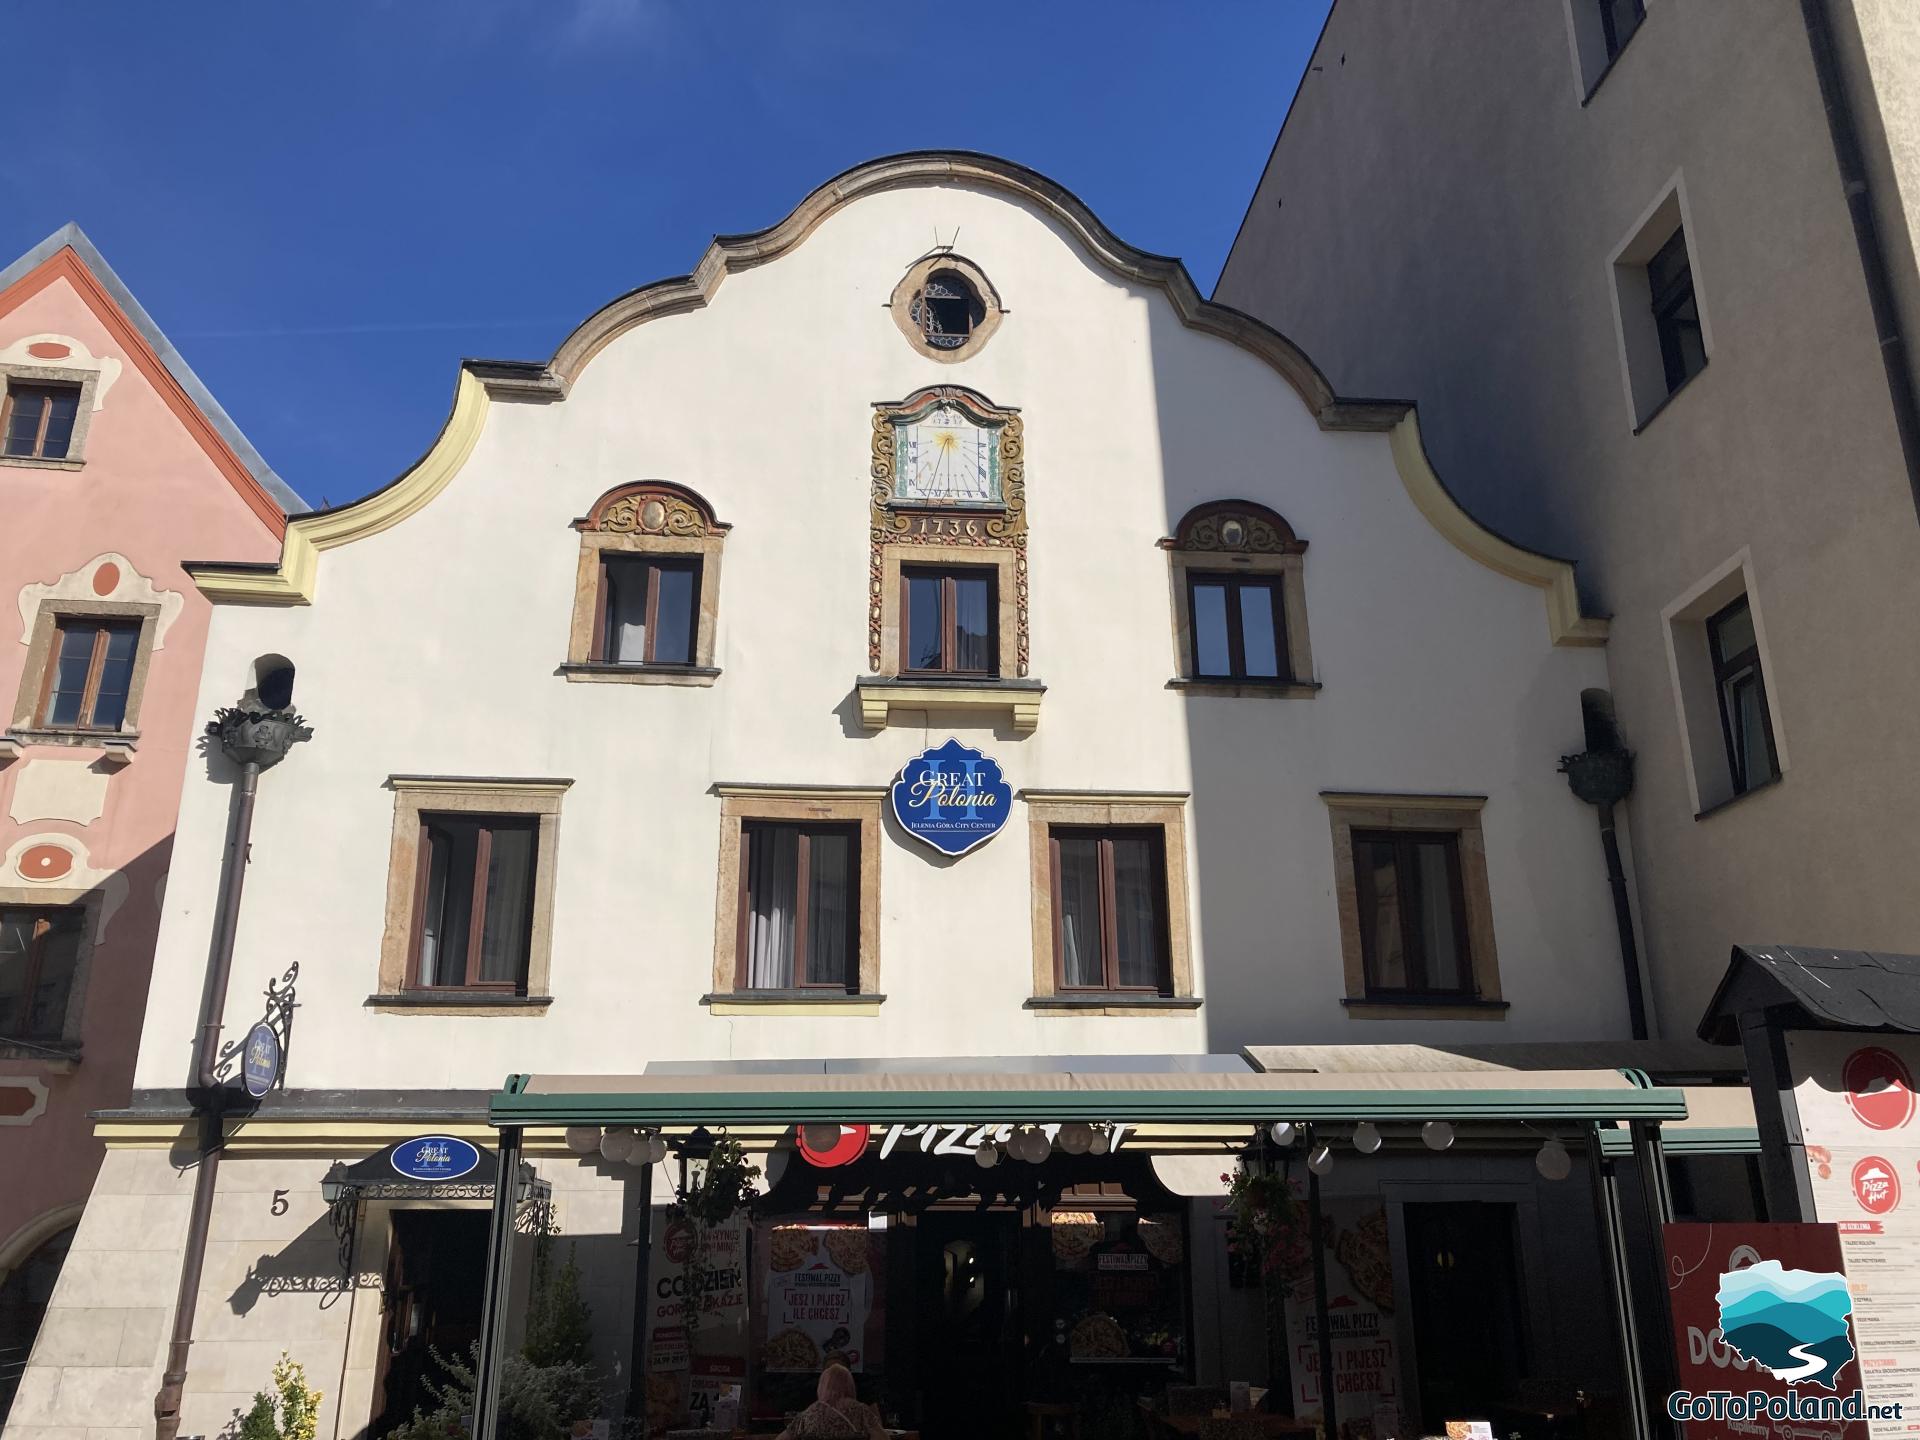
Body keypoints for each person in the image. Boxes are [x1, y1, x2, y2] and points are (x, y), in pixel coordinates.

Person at [776, 1362, 886, 1440]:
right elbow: (882, 1438)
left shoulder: (809, 1413)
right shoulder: (861, 1411)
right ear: (850, 1385)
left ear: (823, 1386)